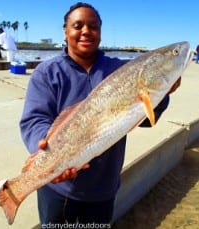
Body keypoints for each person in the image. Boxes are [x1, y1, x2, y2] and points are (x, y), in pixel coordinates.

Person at [19, 2, 181, 228]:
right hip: (56, 188)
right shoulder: (46, 73)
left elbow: (144, 120)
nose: (86, 31)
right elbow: (33, 120)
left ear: (100, 33)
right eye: (78, 26)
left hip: (102, 190)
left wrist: (163, 94)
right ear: (65, 32)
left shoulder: (120, 70)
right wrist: (44, 147)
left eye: (93, 26)